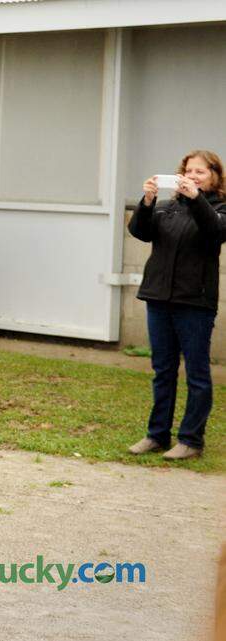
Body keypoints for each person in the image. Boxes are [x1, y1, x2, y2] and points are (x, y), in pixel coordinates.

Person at [127, 150, 226, 460]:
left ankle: (191, 441)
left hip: (194, 302)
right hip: (158, 298)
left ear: (214, 176)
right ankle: (156, 436)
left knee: (197, 374)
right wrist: (146, 203)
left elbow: (215, 231)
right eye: (189, 171)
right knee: (163, 371)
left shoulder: (219, 209)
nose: (193, 176)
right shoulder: (168, 208)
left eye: (200, 172)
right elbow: (139, 232)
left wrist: (196, 198)